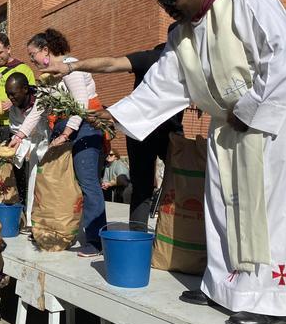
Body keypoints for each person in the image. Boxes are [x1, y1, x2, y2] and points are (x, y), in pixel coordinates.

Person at [90, 0, 286, 324]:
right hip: (228, 125)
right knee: (222, 202)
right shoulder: (182, 35)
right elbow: (165, 84)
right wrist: (112, 116)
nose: (168, 8)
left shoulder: (248, 2)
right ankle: (226, 287)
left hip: (272, 119)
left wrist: (248, 109)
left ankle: (278, 299)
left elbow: (283, 57)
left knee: (269, 206)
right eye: (163, 2)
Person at [40, 30, 183, 222]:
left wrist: (72, 67)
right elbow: (111, 64)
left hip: (141, 128)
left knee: (142, 188)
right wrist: (71, 67)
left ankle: (139, 236)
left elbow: (112, 63)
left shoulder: (153, 57)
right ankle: (167, 236)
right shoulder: (162, 58)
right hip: (152, 130)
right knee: (179, 184)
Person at [14, 28, 106, 256]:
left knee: (87, 182)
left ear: (46, 50)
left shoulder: (71, 66)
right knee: (62, 185)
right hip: (63, 128)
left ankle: (96, 240)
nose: (32, 60)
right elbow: (39, 108)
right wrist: (19, 136)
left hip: (85, 125)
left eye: (32, 54)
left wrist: (67, 134)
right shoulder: (48, 76)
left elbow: (81, 103)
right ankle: (63, 229)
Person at [5, 72, 50, 227]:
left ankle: (51, 221)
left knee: (52, 187)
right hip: (32, 150)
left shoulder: (43, 98)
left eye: (13, 94)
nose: (10, 98)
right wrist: (23, 150)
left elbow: (45, 126)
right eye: (8, 95)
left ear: (25, 89)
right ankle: (33, 223)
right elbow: (18, 132)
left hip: (51, 146)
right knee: (33, 186)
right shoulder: (14, 110)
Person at [0, 32, 35, 148]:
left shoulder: (23, 69)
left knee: (12, 162)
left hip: (14, 124)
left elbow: (32, 94)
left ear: (8, 49)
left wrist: (13, 103)